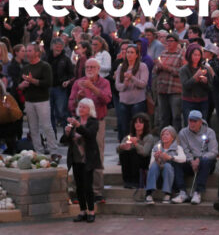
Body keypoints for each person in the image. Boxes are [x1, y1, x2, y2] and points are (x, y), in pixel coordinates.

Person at [67, 58, 112, 202]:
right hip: (81, 122)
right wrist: (77, 100)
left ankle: (97, 191)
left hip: (97, 122)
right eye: (88, 67)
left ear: (98, 69)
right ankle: (78, 190)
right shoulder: (78, 83)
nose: (90, 69)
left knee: (96, 154)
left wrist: (92, 88)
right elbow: (71, 105)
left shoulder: (104, 83)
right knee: (78, 155)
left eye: (93, 67)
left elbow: (107, 99)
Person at [62, 98, 101, 223]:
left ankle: (91, 211)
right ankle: (82, 211)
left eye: (84, 107)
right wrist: (67, 133)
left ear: (90, 109)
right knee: (78, 186)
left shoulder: (93, 122)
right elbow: (64, 141)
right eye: (80, 107)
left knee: (87, 186)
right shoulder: (75, 122)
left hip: (88, 159)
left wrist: (78, 126)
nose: (81, 109)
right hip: (75, 158)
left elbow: (89, 134)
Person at [18, 43, 57, 154]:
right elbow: (19, 85)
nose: (27, 53)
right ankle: (38, 151)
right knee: (33, 128)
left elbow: (48, 83)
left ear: (37, 52)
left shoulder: (44, 66)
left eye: (30, 51)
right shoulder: (25, 67)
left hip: (42, 100)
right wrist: (22, 85)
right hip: (29, 101)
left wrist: (32, 81)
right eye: (26, 51)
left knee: (46, 126)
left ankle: (53, 150)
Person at [172, 110, 218, 205]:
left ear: (201, 122)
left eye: (195, 121)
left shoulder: (210, 132)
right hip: (191, 161)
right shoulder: (183, 133)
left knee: (205, 161)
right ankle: (182, 192)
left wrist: (199, 159)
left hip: (205, 161)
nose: (192, 123)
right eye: (190, 121)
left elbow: (213, 152)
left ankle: (198, 192)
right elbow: (184, 150)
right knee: (176, 161)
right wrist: (191, 161)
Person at [114, 44, 149, 142]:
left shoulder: (142, 66)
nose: (129, 54)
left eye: (132, 52)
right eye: (128, 52)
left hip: (138, 101)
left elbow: (143, 84)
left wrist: (132, 78)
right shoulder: (121, 67)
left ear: (137, 55)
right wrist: (125, 84)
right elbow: (117, 86)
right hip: (124, 101)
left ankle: (138, 144)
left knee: (137, 126)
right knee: (123, 126)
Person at [145, 126, 185, 204]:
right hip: (157, 175)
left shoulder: (177, 148)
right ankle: (149, 194)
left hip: (170, 176)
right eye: (163, 134)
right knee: (154, 166)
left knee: (168, 166)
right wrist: (156, 160)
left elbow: (183, 159)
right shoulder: (156, 147)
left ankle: (167, 193)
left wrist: (170, 157)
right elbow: (150, 166)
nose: (164, 136)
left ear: (173, 137)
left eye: (167, 134)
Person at [116, 113, 156, 189]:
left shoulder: (149, 137)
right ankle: (127, 180)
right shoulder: (130, 136)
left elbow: (145, 152)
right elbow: (118, 149)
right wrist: (122, 146)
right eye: (136, 122)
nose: (138, 124)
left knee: (133, 152)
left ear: (145, 124)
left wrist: (135, 143)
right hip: (130, 160)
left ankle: (135, 181)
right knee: (124, 153)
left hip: (144, 160)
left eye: (141, 122)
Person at [179, 43, 213, 129]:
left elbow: (210, 87)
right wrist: (195, 77)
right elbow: (186, 85)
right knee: (189, 126)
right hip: (188, 101)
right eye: (194, 55)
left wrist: (205, 82)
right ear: (190, 55)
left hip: (202, 101)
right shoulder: (184, 69)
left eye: (198, 55)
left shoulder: (205, 68)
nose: (196, 57)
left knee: (202, 125)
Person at [153, 33, 183, 130]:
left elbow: (181, 72)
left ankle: (176, 137)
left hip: (175, 90)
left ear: (177, 42)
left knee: (176, 116)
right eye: (167, 41)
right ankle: (163, 137)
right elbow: (155, 71)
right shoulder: (163, 54)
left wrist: (167, 68)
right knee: (163, 116)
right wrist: (158, 66)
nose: (169, 43)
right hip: (162, 89)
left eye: (171, 41)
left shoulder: (181, 55)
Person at [45, 37, 74, 130]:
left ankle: (67, 134)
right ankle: (52, 135)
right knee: (49, 113)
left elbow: (71, 74)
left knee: (62, 112)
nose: (59, 48)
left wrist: (67, 81)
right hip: (48, 87)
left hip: (60, 88)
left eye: (61, 46)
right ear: (52, 46)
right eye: (57, 46)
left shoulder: (66, 59)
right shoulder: (46, 58)